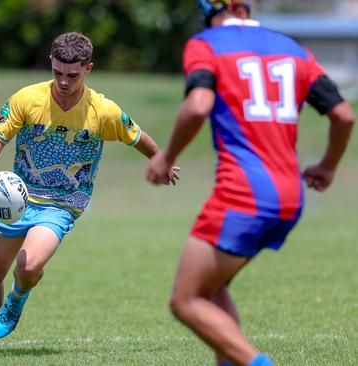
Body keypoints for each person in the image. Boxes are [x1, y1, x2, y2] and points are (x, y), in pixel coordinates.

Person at [146, 1, 354, 366]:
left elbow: (197, 106)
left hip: (243, 194)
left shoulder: (206, 44)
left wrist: (166, 157)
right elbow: (343, 115)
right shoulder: (292, 48)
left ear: (208, 9)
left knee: (186, 300)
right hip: (291, 195)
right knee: (212, 290)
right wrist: (328, 166)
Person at [0, 32, 180, 353]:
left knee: (29, 267)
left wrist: (163, 161)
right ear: (51, 62)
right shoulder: (27, 99)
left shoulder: (102, 111)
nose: (63, 81)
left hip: (63, 203)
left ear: (88, 68)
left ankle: (16, 301)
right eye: (58, 72)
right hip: (18, 198)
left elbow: (137, 135)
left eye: (72, 75)